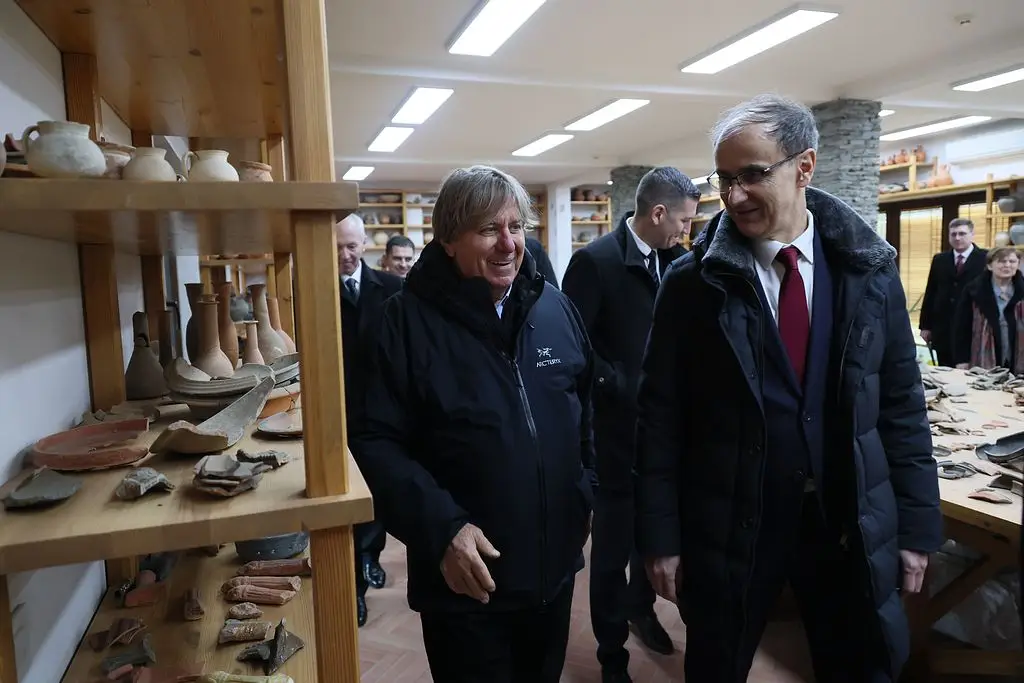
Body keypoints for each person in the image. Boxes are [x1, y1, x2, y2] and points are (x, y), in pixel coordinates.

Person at [635, 94, 942, 682]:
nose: (734, 196)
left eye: (752, 175)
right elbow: (660, 419)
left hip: (845, 521)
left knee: (860, 664)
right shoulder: (693, 284)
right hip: (731, 522)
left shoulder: (867, 271)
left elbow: (901, 408)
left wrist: (917, 525)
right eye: (724, 180)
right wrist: (660, 537)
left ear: (805, 167)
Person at [350, 165, 596, 683]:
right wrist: (442, 530)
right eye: (488, 229)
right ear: (447, 239)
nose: (508, 244)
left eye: (516, 227)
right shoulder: (403, 322)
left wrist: (584, 491)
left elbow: (586, 411)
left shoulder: (554, 308)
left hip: (553, 573)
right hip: (465, 584)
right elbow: (375, 441)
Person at [562, 167, 699, 683]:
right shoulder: (594, 262)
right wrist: (615, 381)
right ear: (658, 213)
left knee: (654, 537)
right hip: (613, 440)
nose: (687, 231)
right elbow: (573, 346)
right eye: (683, 221)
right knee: (611, 554)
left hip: (663, 438)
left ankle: (641, 611)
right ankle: (610, 654)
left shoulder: (679, 262)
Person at [335, 213, 403, 626]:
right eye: (337, 247)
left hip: (381, 414)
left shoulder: (393, 289)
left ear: (364, 245)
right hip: (336, 414)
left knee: (376, 492)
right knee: (343, 496)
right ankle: (350, 583)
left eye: (351, 246)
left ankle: (367, 561)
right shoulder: (312, 290)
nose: (345, 255)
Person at [920, 218, 987, 366]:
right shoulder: (940, 259)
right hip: (943, 327)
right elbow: (930, 292)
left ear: (972, 234)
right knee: (945, 372)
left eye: (962, 233)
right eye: (953, 234)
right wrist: (925, 326)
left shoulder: (985, 258)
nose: (957, 238)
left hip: (972, 327)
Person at [952, 246, 1024, 372]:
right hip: (983, 354)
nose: (1007, 265)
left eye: (1012, 261)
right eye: (1002, 261)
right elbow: (962, 326)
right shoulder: (974, 290)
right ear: (990, 266)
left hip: (1017, 354)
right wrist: (962, 359)